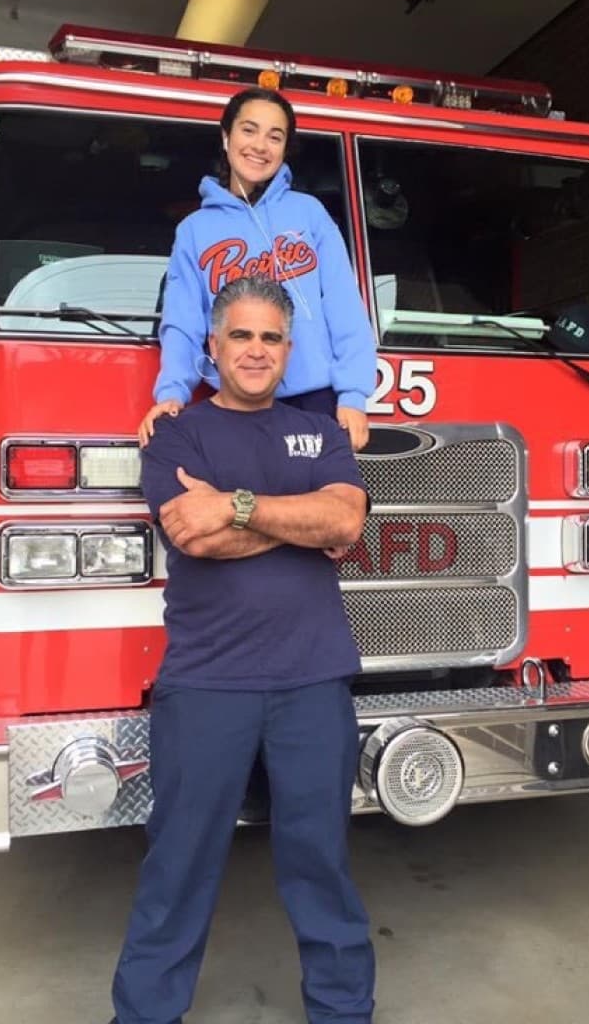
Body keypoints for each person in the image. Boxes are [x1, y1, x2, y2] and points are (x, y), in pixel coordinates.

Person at [111, 276, 375, 1024]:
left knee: (320, 862)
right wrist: (298, 520)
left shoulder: (322, 430)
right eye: (241, 336)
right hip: (206, 685)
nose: (256, 351)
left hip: (314, 682)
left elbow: (344, 524)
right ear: (212, 347)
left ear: (288, 351)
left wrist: (236, 502)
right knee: (179, 865)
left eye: (270, 338)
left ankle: (343, 1010)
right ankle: (144, 1014)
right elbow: (192, 536)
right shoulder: (177, 435)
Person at [138, 86, 376, 451]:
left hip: (315, 403)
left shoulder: (309, 213)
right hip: (235, 402)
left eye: (274, 136)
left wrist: (353, 396)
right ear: (226, 136)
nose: (260, 146)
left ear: (284, 149)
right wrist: (172, 393)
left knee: (312, 507)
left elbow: (345, 306)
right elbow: (183, 322)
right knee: (241, 506)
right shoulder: (193, 231)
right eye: (249, 130)